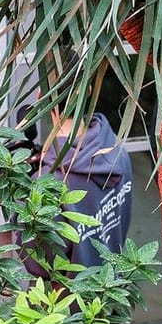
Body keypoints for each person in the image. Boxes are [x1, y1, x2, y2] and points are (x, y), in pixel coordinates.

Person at [29, 107, 134, 274]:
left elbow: (41, 265)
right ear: (90, 89)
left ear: (41, 94)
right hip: (112, 286)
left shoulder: (49, 183)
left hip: (67, 298)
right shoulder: (116, 149)